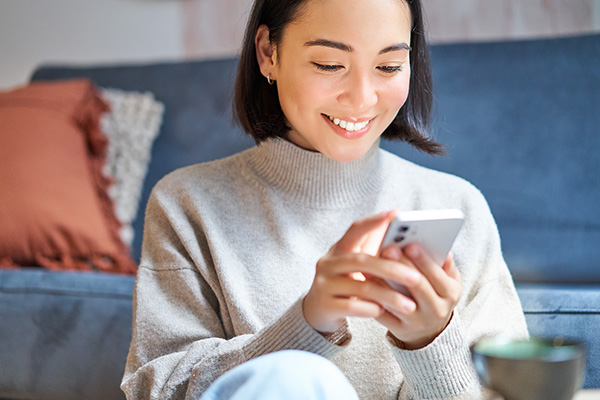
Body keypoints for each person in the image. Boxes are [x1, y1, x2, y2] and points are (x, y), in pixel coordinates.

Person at [121, 0, 528, 398]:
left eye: (388, 66)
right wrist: (308, 323)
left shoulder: (458, 208)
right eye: (330, 65)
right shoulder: (187, 205)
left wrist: (430, 340)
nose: (362, 97)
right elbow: (154, 390)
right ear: (268, 54)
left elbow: (516, 389)